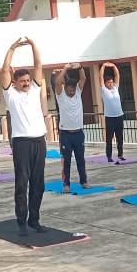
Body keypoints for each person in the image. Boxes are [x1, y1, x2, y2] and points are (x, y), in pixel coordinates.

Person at [2, 37, 47, 236]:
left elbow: (38, 65)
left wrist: (33, 45)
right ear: (15, 82)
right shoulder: (10, 94)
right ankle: (21, 221)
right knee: (22, 183)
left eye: (28, 80)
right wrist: (12, 48)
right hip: (22, 143)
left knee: (39, 184)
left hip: (39, 141)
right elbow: (4, 70)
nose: (27, 83)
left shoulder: (36, 88)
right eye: (23, 81)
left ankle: (34, 220)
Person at [53, 63, 90, 193]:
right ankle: (66, 184)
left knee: (81, 159)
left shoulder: (78, 92)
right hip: (66, 134)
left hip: (78, 133)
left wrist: (80, 67)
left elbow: (83, 78)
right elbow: (58, 82)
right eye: (69, 90)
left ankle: (84, 181)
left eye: (73, 90)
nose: (71, 92)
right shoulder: (60, 95)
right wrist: (65, 69)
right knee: (66, 161)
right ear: (65, 88)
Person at [99, 62, 125, 162]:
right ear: (105, 83)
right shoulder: (104, 90)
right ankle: (109, 156)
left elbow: (117, 76)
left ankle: (120, 155)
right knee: (109, 138)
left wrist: (114, 66)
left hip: (119, 116)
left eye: (112, 82)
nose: (111, 83)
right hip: (110, 117)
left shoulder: (115, 88)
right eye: (109, 82)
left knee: (120, 137)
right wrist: (103, 66)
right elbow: (100, 77)